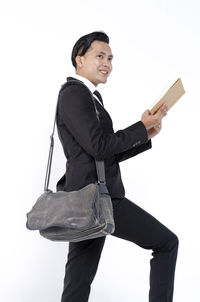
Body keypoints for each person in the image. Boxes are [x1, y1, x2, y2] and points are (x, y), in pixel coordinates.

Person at [56, 30, 178, 302]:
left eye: (110, 58)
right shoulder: (75, 94)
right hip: (96, 199)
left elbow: (100, 154)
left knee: (78, 280)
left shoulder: (90, 97)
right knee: (167, 243)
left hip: (88, 198)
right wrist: (139, 128)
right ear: (79, 60)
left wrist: (143, 136)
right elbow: (100, 146)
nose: (107, 63)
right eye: (100, 56)